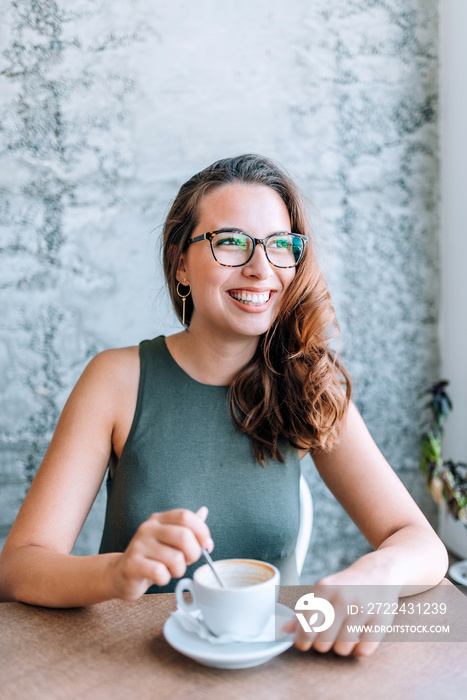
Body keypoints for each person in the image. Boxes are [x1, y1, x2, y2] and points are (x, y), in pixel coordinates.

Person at [0, 154, 448, 657]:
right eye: (231, 242)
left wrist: (377, 573)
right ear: (180, 264)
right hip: (132, 669)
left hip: (274, 670)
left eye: (280, 246)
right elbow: (19, 566)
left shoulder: (310, 384)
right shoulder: (115, 380)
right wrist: (117, 571)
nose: (261, 269)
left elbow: (421, 544)